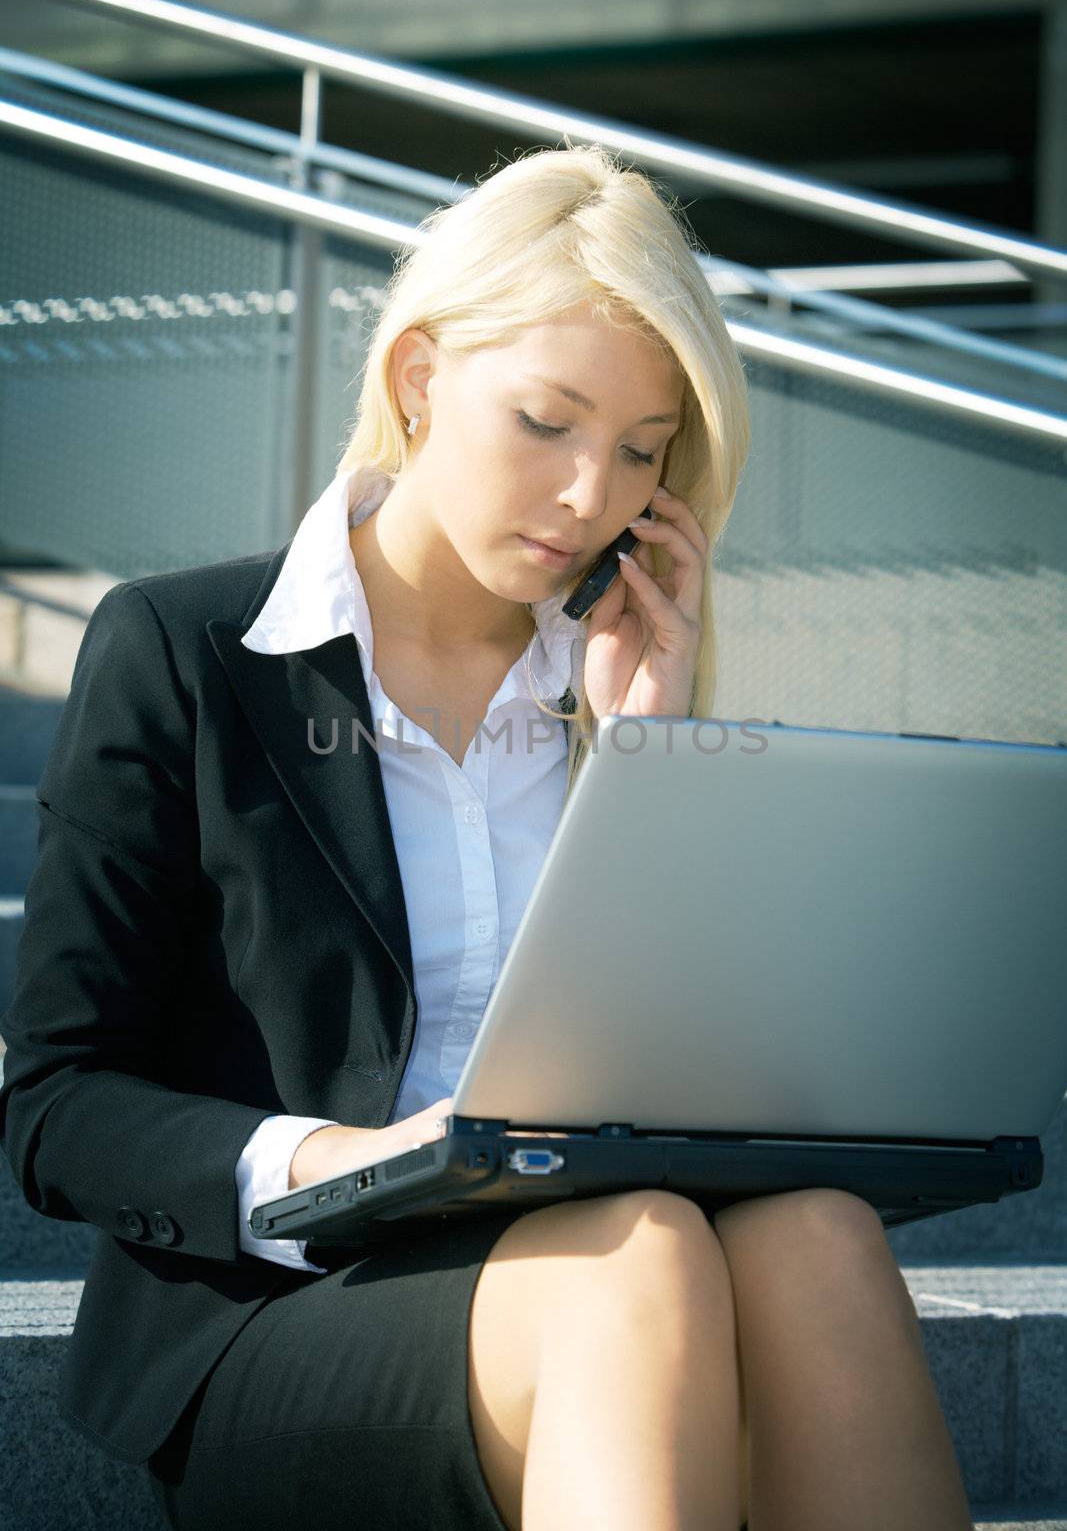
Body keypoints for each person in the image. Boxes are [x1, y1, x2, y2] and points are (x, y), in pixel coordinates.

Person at [0, 141, 974, 1531]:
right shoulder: (185, 651)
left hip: (608, 1268)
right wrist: (340, 1159)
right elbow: (56, 1106)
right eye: (548, 422)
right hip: (291, 1315)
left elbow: (699, 1092)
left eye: (641, 452)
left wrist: (648, 768)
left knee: (816, 1237)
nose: (592, 496)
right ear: (419, 380)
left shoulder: (612, 685)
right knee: (632, 1263)